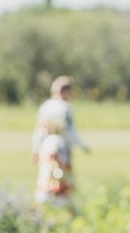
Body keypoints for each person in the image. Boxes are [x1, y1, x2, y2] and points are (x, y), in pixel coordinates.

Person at [31, 75, 90, 208]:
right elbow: (70, 132)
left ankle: (39, 207)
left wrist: (35, 151)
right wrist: (83, 146)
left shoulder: (45, 106)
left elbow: (38, 132)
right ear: (67, 91)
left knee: (45, 174)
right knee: (62, 176)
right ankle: (67, 208)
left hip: (46, 146)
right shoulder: (65, 108)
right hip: (60, 146)